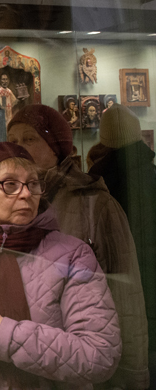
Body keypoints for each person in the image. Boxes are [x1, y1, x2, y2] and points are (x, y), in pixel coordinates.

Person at [0, 143, 121, 388]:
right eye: (10, 184)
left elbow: (99, 355)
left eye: (33, 184)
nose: (26, 194)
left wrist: (2, 332)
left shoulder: (73, 254)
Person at [7, 104, 149, 388]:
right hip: (17, 361)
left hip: (77, 363)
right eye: (12, 140)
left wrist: (132, 374)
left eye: (30, 138)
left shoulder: (94, 203)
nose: (19, 148)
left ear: (56, 146)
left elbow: (125, 293)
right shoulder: (2, 201)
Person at [89, 104, 156, 382]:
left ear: (104, 140)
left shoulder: (97, 183)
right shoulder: (151, 174)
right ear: (137, 133)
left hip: (116, 278)